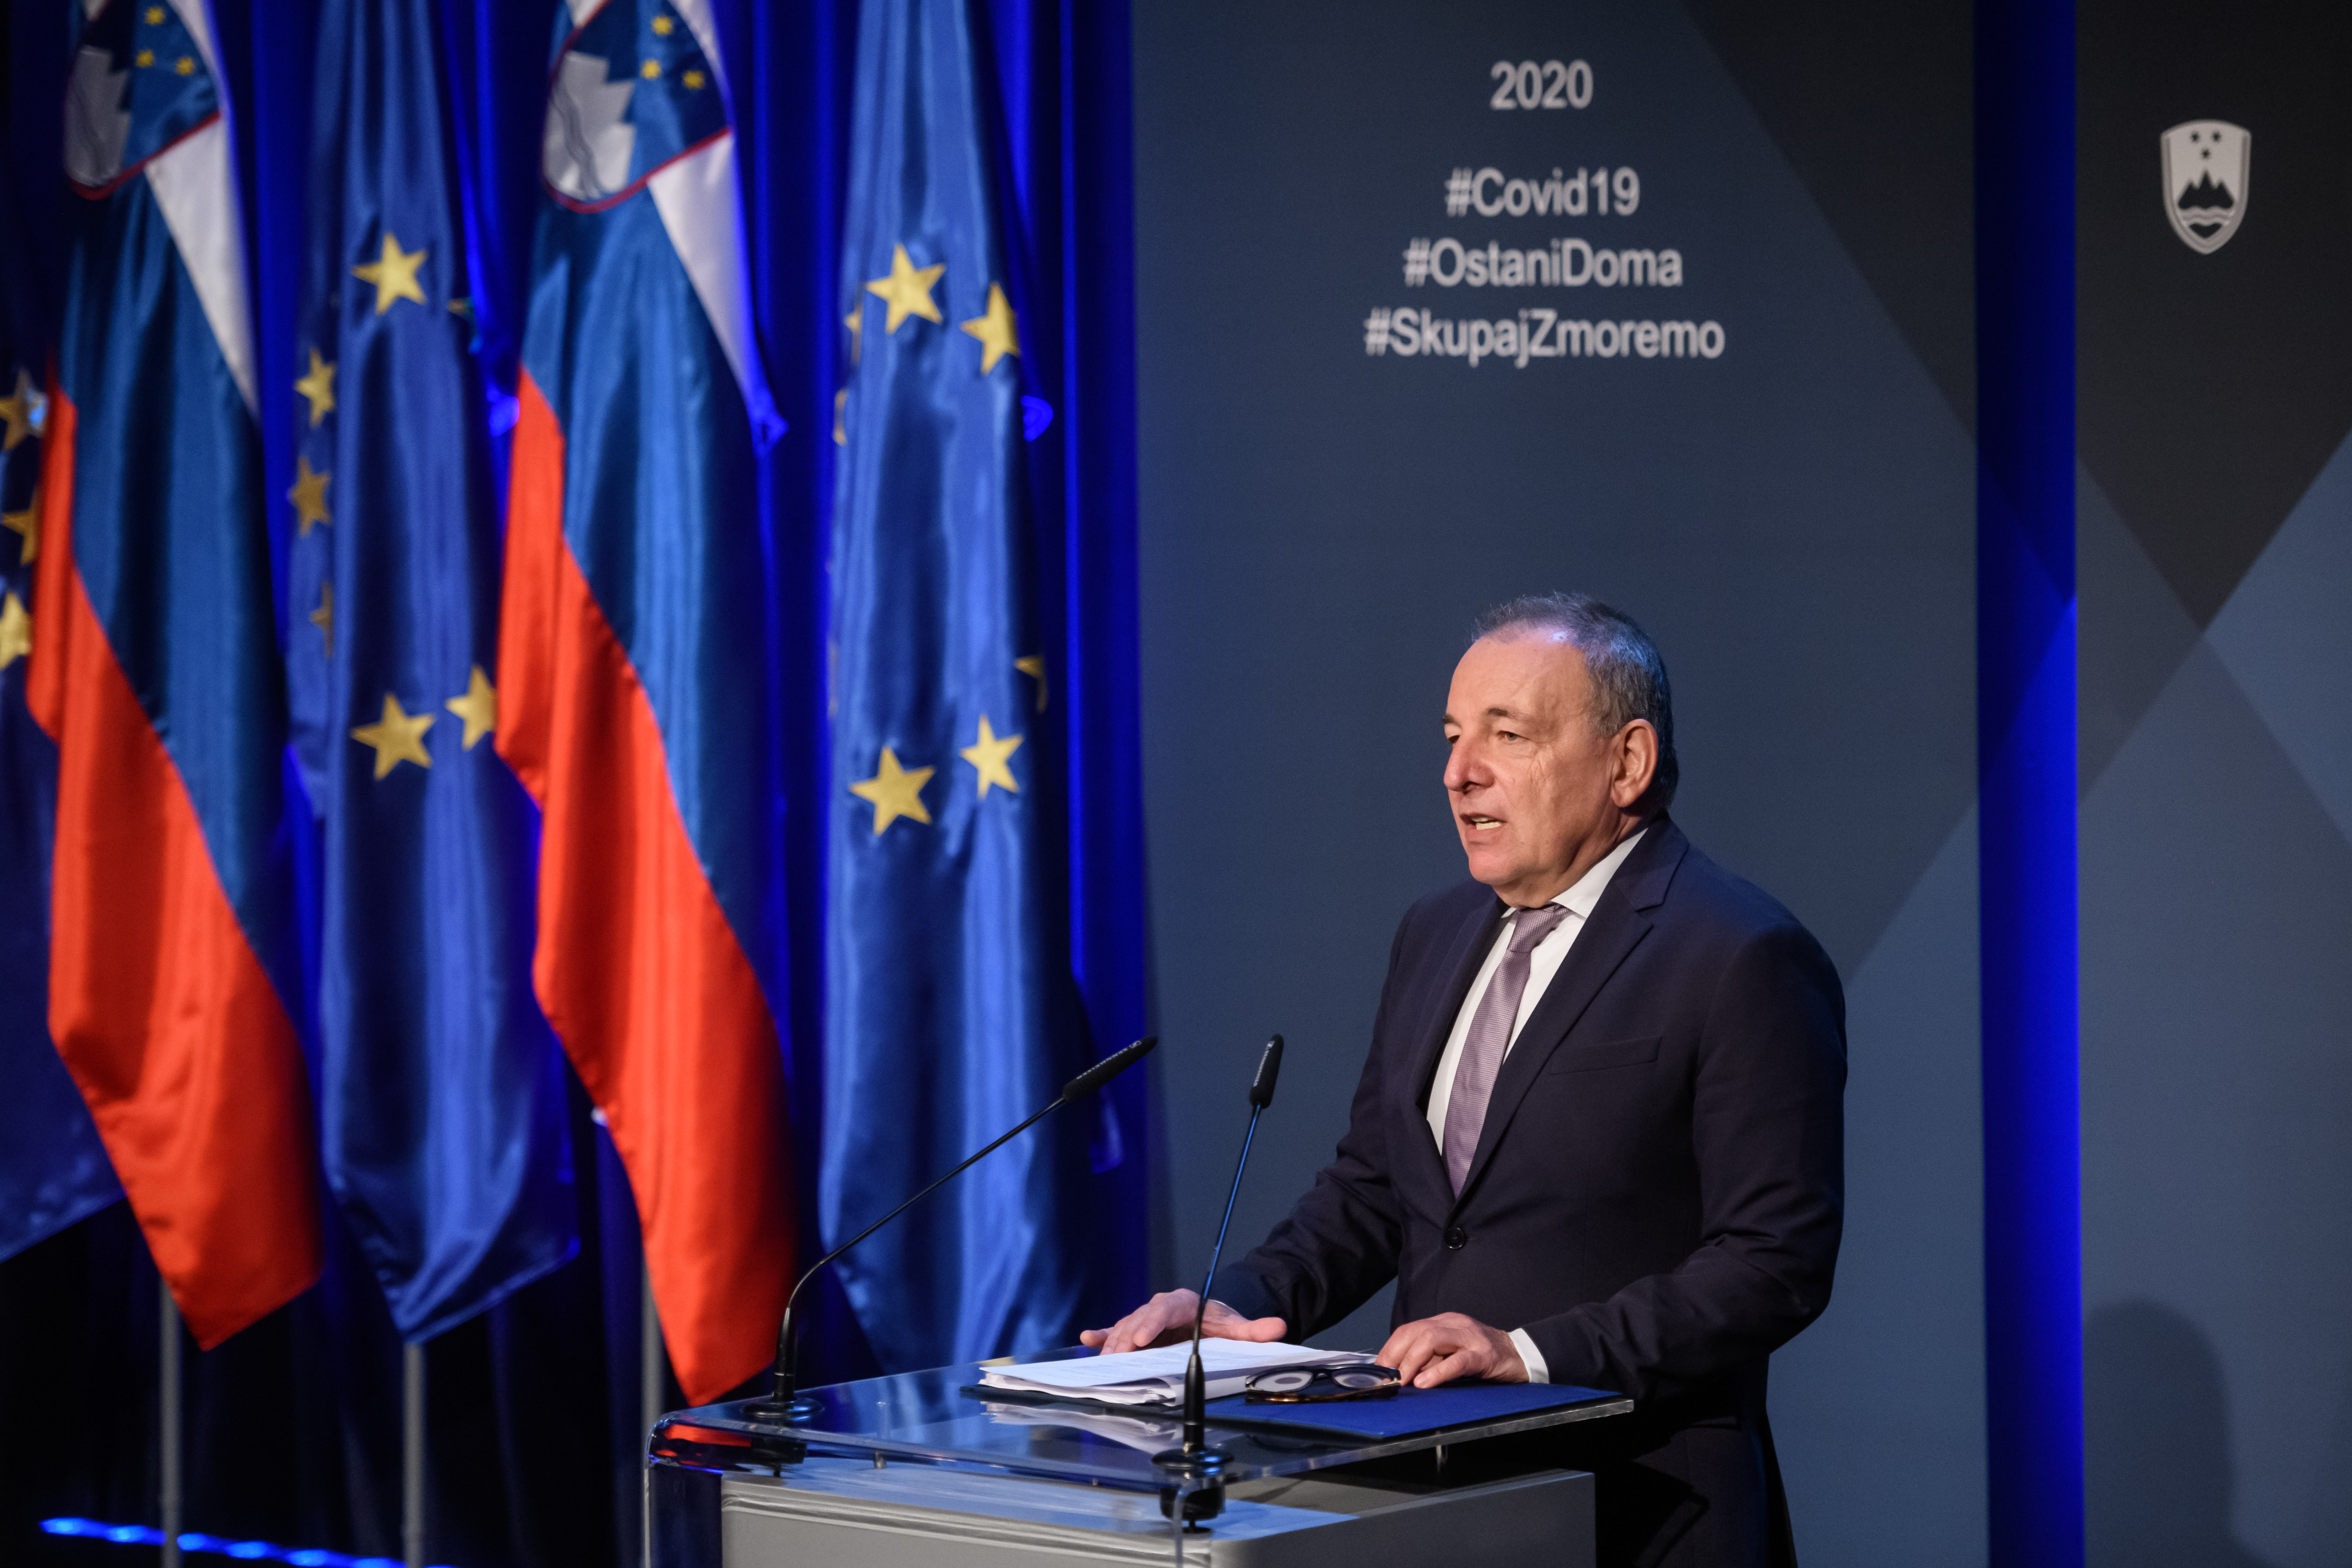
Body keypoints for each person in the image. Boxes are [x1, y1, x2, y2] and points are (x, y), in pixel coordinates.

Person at [1083, 592, 1846, 1568]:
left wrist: (1528, 1352)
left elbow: (1773, 1262)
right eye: (1452, 737)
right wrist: (1238, 1307)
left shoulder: (1739, 954)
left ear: (1628, 762)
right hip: (1433, 1502)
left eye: (1507, 735)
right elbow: (1377, 1188)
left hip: (1638, 1504)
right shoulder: (1436, 932)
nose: (1459, 772)